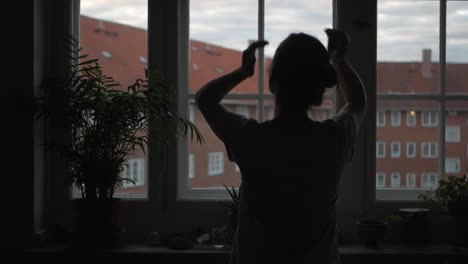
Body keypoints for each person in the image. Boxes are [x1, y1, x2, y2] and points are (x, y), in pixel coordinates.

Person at [195, 28, 367, 264]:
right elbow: (356, 102)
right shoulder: (334, 139)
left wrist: (243, 72)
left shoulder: (251, 139)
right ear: (319, 91)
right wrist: (339, 61)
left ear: (274, 84)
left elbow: (205, 99)